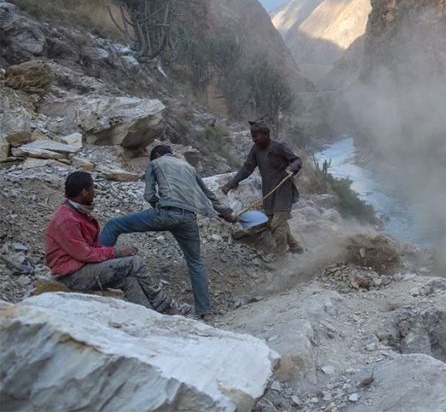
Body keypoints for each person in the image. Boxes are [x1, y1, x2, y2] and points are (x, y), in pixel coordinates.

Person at [99, 145, 236, 320]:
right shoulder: (188, 167)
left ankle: (96, 267)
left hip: (166, 213)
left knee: (114, 225)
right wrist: (227, 215)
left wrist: (159, 204)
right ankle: (205, 311)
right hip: (188, 218)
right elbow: (210, 196)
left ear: (156, 154)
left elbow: (149, 195)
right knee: (195, 263)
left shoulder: (155, 163)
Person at [45, 171, 189, 314]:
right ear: (84, 192)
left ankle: (149, 314)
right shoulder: (67, 220)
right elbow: (85, 254)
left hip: (80, 268)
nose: (94, 193)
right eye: (92, 189)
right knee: (134, 262)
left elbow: (92, 248)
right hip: (71, 275)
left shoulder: (76, 213)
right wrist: (116, 252)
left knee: (129, 280)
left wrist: (114, 255)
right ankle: (164, 305)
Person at [221, 121, 304, 255]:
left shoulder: (279, 147)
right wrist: (231, 183)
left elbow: (297, 160)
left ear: (266, 135)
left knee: (277, 224)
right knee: (274, 224)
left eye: (257, 136)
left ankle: (281, 258)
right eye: (252, 136)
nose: (254, 139)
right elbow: (247, 168)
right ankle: (296, 248)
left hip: (283, 190)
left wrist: (292, 168)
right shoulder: (255, 150)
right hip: (269, 192)